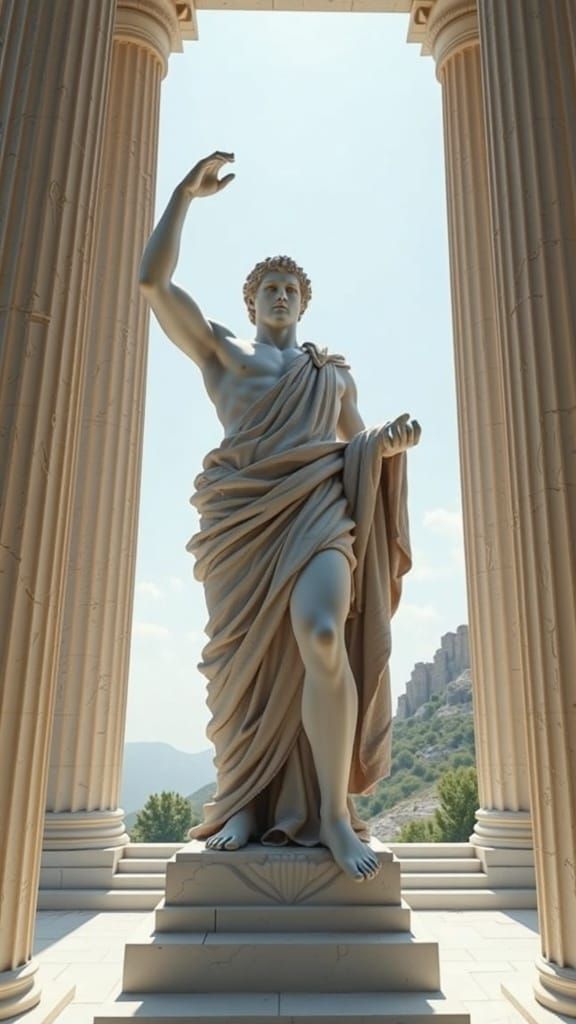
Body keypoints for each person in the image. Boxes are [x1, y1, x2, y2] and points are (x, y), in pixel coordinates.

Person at [139, 152, 421, 881]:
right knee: (245, 669)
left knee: (323, 634)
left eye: (291, 288)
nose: (280, 295)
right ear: (249, 302)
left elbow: (359, 444)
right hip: (240, 527)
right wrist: (182, 195)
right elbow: (152, 283)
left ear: (304, 303)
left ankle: (330, 812)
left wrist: (387, 442)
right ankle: (243, 800)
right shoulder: (223, 356)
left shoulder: (331, 374)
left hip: (319, 513)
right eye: (268, 287)